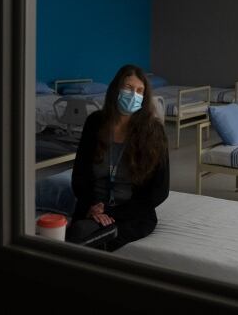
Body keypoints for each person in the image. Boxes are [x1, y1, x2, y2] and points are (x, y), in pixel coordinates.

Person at [67, 64, 169, 252]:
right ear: (116, 89)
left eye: (139, 90)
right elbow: (79, 175)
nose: (133, 95)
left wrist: (111, 211)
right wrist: (92, 207)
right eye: (128, 88)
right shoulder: (95, 123)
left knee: (83, 235)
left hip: (132, 213)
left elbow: (159, 190)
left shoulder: (153, 132)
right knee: (77, 232)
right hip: (93, 209)